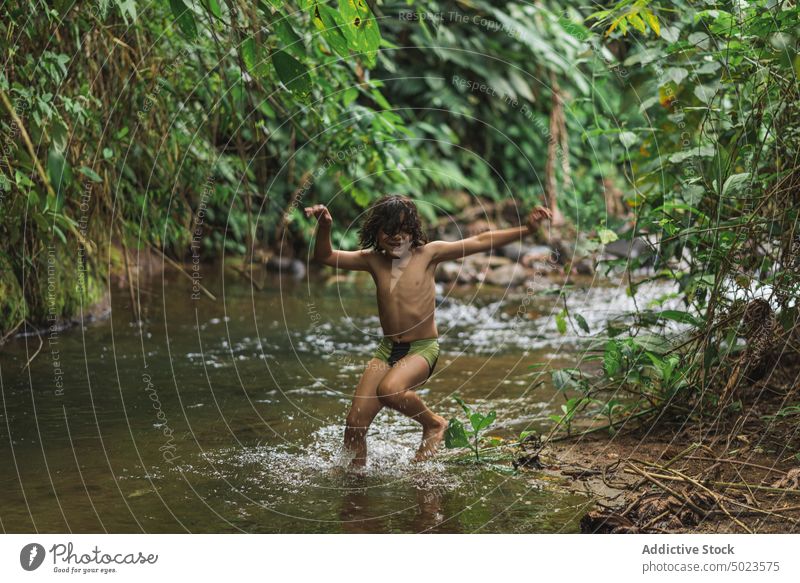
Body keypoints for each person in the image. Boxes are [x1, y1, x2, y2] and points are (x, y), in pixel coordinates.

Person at [304, 195, 551, 467]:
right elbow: (325, 256)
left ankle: (434, 424)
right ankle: (357, 481)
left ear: (414, 230)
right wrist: (325, 225)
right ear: (376, 231)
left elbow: (481, 241)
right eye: (389, 230)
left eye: (403, 229)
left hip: (422, 348)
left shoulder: (428, 254)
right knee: (354, 423)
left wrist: (527, 230)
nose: (397, 237)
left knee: (390, 389)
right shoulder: (372, 260)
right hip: (388, 350)